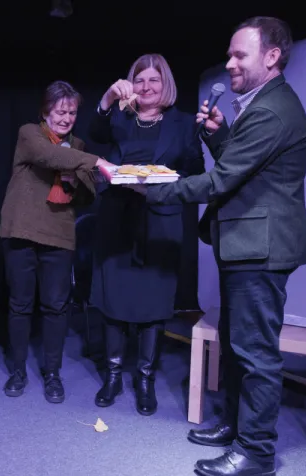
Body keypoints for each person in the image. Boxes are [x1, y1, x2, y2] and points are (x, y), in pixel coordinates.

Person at [125, 17, 306, 476]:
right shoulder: (262, 103)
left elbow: (223, 180)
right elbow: (245, 168)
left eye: (239, 55)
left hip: (260, 249)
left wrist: (152, 188)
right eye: (229, 54)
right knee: (235, 344)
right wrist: (218, 133)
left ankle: (257, 452)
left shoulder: (272, 110)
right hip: (245, 246)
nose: (229, 63)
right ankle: (235, 426)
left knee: (255, 353)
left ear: (272, 56)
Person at [88, 54, 205, 416]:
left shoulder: (184, 123)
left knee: (155, 301)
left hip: (161, 221)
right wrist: (108, 99)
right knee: (113, 296)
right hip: (117, 217)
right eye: (139, 80)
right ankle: (112, 375)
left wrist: (163, 183)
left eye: (154, 80)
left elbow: (195, 173)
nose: (146, 87)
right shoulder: (119, 117)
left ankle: (144, 378)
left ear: (165, 84)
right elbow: (95, 134)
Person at [0, 80, 110, 403]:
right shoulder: (29, 134)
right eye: (60, 112)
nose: (66, 118)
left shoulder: (78, 146)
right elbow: (47, 156)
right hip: (21, 230)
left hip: (59, 235)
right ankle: (18, 371)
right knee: (20, 305)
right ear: (45, 112)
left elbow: (88, 197)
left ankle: (52, 374)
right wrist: (95, 162)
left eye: (71, 113)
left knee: (56, 307)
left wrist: (76, 180)